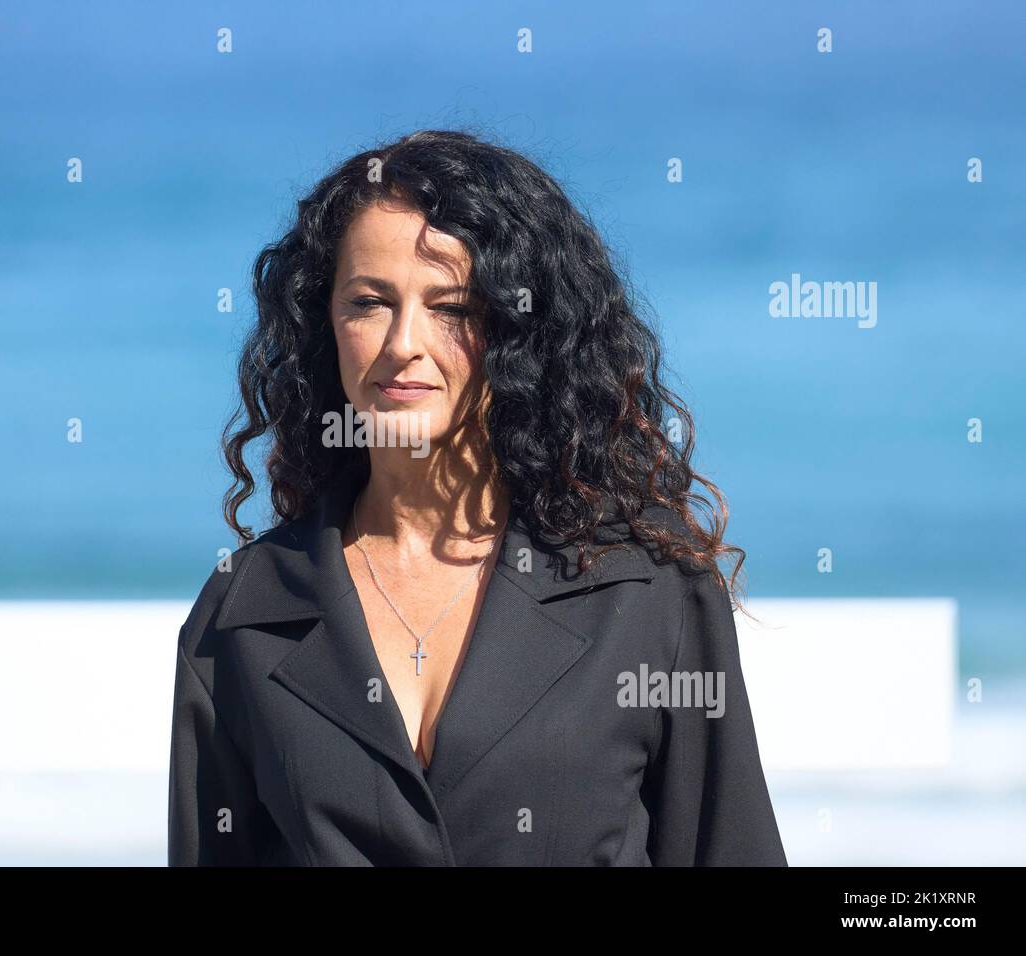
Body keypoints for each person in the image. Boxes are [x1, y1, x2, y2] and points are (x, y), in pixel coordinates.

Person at [167, 129, 787, 866]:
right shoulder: (245, 612)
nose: (405, 343)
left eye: (452, 308)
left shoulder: (645, 588)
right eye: (369, 302)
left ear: (519, 331)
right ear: (322, 326)